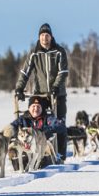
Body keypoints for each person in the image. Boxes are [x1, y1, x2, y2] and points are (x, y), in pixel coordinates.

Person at [14, 23, 69, 159]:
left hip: (58, 93)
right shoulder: (34, 53)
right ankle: (31, 150)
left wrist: (56, 87)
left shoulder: (59, 51)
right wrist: (19, 88)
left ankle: (60, 155)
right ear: (39, 37)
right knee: (35, 118)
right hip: (41, 94)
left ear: (51, 37)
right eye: (42, 35)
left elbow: (63, 72)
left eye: (47, 35)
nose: (44, 38)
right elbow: (25, 72)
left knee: (60, 123)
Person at [2, 95, 68, 164]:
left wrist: (45, 131)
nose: (36, 109)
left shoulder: (47, 118)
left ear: (42, 108)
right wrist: (10, 133)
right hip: (26, 148)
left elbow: (60, 126)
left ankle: (59, 158)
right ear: (29, 108)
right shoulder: (23, 118)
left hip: (42, 148)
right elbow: (13, 125)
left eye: (38, 106)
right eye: (33, 106)